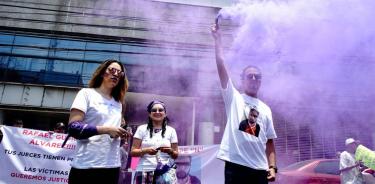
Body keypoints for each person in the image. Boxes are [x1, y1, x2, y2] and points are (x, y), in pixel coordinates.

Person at [211, 22, 277, 184]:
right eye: (250, 76)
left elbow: (269, 141)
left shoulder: (266, 109)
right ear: (242, 80)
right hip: (236, 166)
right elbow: (221, 64)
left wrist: (272, 167)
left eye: (257, 77)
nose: (254, 79)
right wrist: (217, 40)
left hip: (260, 169)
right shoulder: (233, 97)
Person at [67, 59, 130, 184]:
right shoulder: (86, 94)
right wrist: (106, 130)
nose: (116, 74)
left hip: (112, 166)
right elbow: (73, 128)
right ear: (102, 73)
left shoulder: (119, 103)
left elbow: (113, 136)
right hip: (85, 166)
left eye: (120, 73)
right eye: (112, 70)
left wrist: (122, 134)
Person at [130, 100, 179, 184]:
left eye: (160, 110)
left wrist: (170, 151)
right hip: (144, 171)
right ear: (149, 114)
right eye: (154, 110)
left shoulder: (171, 131)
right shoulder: (141, 129)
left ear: (165, 114)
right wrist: (145, 151)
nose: (157, 112)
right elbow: (133, 152)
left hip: (165, 172)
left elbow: (176, 155)